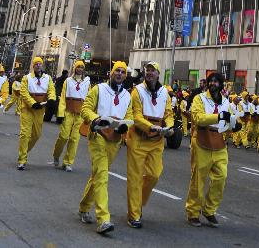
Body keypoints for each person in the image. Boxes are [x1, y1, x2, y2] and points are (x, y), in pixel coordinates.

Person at [78, 60, 133, 234]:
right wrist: (95, 119)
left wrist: (126, 127)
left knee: (98, 176)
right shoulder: (98, 89)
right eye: (117, 71)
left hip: (115, 141)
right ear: (111, 72)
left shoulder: (127, 96)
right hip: (98, 137)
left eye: (123, 72)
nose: (119, 74)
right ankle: (103, 219)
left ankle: (84, 206)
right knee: (102, 176)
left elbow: (129, 115)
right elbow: (85, 109)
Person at [185, 71, 239, 227]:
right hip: (201, 140)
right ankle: (193, 212)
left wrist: (234, 127)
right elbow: (198, 118)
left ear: (221, 84)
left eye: (216, 81)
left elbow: (228, 122)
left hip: (219, 143)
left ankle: (209, 210)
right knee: (198, 179)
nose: (212, 84)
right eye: (210, 81)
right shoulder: (199, 98)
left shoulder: (226, 102)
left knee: (221, 177)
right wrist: (219, 116)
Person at [126, 61, 174, 228]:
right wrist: (150, 127)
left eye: (153, 71)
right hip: (138, 139)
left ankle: (138, 203)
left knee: (154, 175)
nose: (150, 73)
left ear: (158, 74)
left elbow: (168, 113)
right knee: (135, 178)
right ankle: (134, 214)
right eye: (147, 70)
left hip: (156, 141)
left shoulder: (164, 93)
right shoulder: (137, 91)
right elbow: (136, 116)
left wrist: (170, 126)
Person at [17, 56, 56, 169]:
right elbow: (24, 92)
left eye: (40, 63)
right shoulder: (26, 78)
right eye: (36, 64)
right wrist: (32, 103)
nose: (38, 65)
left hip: (40, 110)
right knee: (25, 133)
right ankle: (22, 159)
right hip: (28, 109)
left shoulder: (47, 78)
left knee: (37, 135)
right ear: (33, 66)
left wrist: (52, 99)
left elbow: (51, 90)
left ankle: (24, 151)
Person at [53, 59, 90, 171]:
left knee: (74, 139)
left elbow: (89, 99)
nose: (80, 69)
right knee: (64, 136)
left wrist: (88, 115)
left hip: (80, 115)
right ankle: (56, 154)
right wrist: (60, 113)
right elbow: (63, 97)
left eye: (82, 67)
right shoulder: (68, 81)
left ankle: (68, 162)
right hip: (68, 112)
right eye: (78, 66)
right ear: (75, 68)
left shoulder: (87, 82)